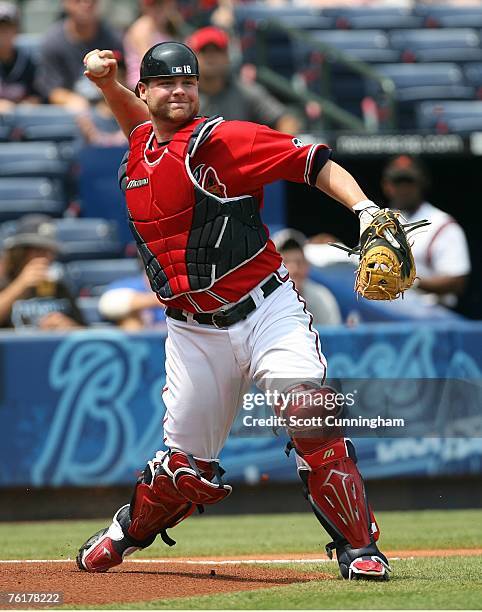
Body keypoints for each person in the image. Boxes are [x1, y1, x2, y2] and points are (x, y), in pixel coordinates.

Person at [76, 42, 391, 580]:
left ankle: (359, 548)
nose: (179, 91)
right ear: (145, 90)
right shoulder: (141, 144)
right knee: (182, 472)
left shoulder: (220, 140)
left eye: (188, 82)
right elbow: (142, 125)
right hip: (193, 331)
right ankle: (125, 531)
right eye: (166, 83)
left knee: (310, 413)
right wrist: (108, 85)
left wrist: (365, 210)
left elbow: (311, 161)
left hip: (265, 309)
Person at [382, 155, 471, 308]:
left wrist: (410, 281)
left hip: (432, 316)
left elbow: (457, 281)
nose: (403, 189)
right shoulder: (379, 220)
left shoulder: (442, 224)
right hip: (386, 312)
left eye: (409, 182)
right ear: (387, 186)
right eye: (398, 182)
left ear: (422, 184)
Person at [186, 26, 301, 134]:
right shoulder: (183, 93)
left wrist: (276, 150)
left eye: (217, 51)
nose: (211, 57)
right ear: (192, 58)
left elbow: (287, 121)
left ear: (227, 57)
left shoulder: (244, 91)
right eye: (204, 51)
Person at [34, 0, 123, 112]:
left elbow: (122, 80)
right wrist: (70, 100)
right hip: (70, 116)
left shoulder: (113, 38)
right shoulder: (53, 41)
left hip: (106, 111)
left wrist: (109, 94)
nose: (87, 3)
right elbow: (52, 91)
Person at [0, 215, 85, 330]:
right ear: (19, 253)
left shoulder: (59, 287)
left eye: (50, 252)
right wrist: (21, 285)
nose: (46, 258)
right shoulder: (4, 283)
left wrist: (68, 326)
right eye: (38, 251)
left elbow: (85, 333)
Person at [273, 228, 342, 326]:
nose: (294, 269)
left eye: (299, 262)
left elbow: (334, 337)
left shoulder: (321, 298)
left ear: (307, 266)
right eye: (286, 262)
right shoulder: (263, 301)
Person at [124, 0, 184, 91]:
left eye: (162, 4)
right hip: (143, 88)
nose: (158, 9)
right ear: (144, 7)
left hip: (164, 83)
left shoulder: (171, 27)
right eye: (154, 6)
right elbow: (150, 62)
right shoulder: (142, 28)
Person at [0, 2, 40, 113]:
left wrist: (21, 108)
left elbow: (37, 97)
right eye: (0, 27)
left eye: (8, 27)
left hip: (20, 127)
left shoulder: (28, 62)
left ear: (16, 29)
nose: (3, 32)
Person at [98, 269, 166, 330]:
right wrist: (153, 300)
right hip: (139, 340)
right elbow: (106, 305)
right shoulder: (131, 285)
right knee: (130, 319)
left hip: (167, 338)